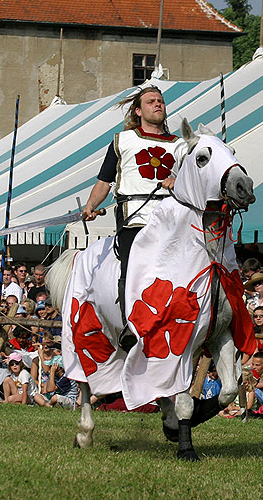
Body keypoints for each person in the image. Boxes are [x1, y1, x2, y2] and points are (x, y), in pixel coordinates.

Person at [82, 86, 187, 349]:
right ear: (138, 111)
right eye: (151, 101)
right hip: (135, 217)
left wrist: (178, 180)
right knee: (134, 267)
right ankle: (131, 323)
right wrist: (91, 205)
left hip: (171, 217)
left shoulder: (180, 146)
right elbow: (104, 181)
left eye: (161, 101)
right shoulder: (123, 141)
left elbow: (194, 180)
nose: (158, 104)